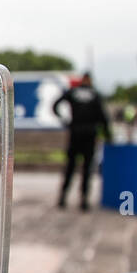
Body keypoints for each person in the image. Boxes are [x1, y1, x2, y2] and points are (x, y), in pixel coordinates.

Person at [53, 73, 111, 211]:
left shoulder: (73, 93)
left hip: (75, 134)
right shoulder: (95, 95)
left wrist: (65, 120)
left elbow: (55, 105)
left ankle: (63, 198)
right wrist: (108, 135)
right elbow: (103, 117)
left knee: (70, 167)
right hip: (90, 136)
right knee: (87, 169)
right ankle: (84, 200)